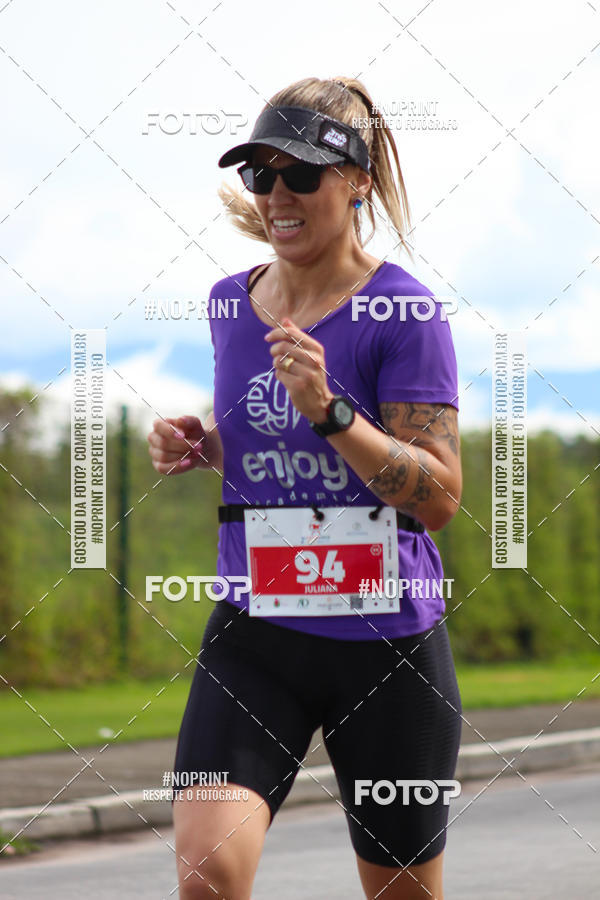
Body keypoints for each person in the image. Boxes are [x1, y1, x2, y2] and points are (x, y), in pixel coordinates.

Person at [147, 76, 463, 900]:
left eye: (301, 174)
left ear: (356, 180)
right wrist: (203, 443)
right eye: (262, 174)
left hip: (387, 645)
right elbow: (265, 442)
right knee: (208, 875)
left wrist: (329, 412)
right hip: (260, 632)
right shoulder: (230, 303)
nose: (279, 194)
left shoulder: (406, 313)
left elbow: (435, 497)